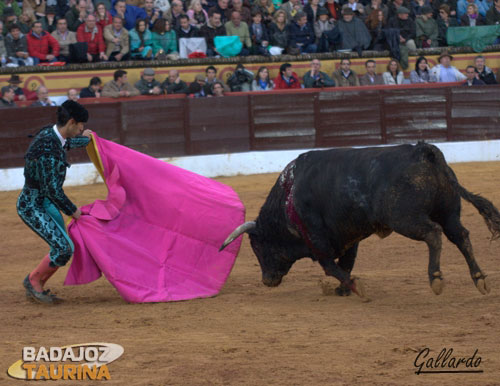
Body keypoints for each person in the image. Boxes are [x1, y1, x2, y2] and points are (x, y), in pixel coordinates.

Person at [18, 101, 92, 304]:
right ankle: (33, 281)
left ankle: (36, 283)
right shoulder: (48, 147)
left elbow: (66, 144)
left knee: (64, 247)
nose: (81, 129)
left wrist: (86, 140)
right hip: (32, 205)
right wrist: (74, 211)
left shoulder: (53, 136)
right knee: (63, 248)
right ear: (71, 122)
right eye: (80, 126)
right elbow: (52, 189)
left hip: (45, 203)